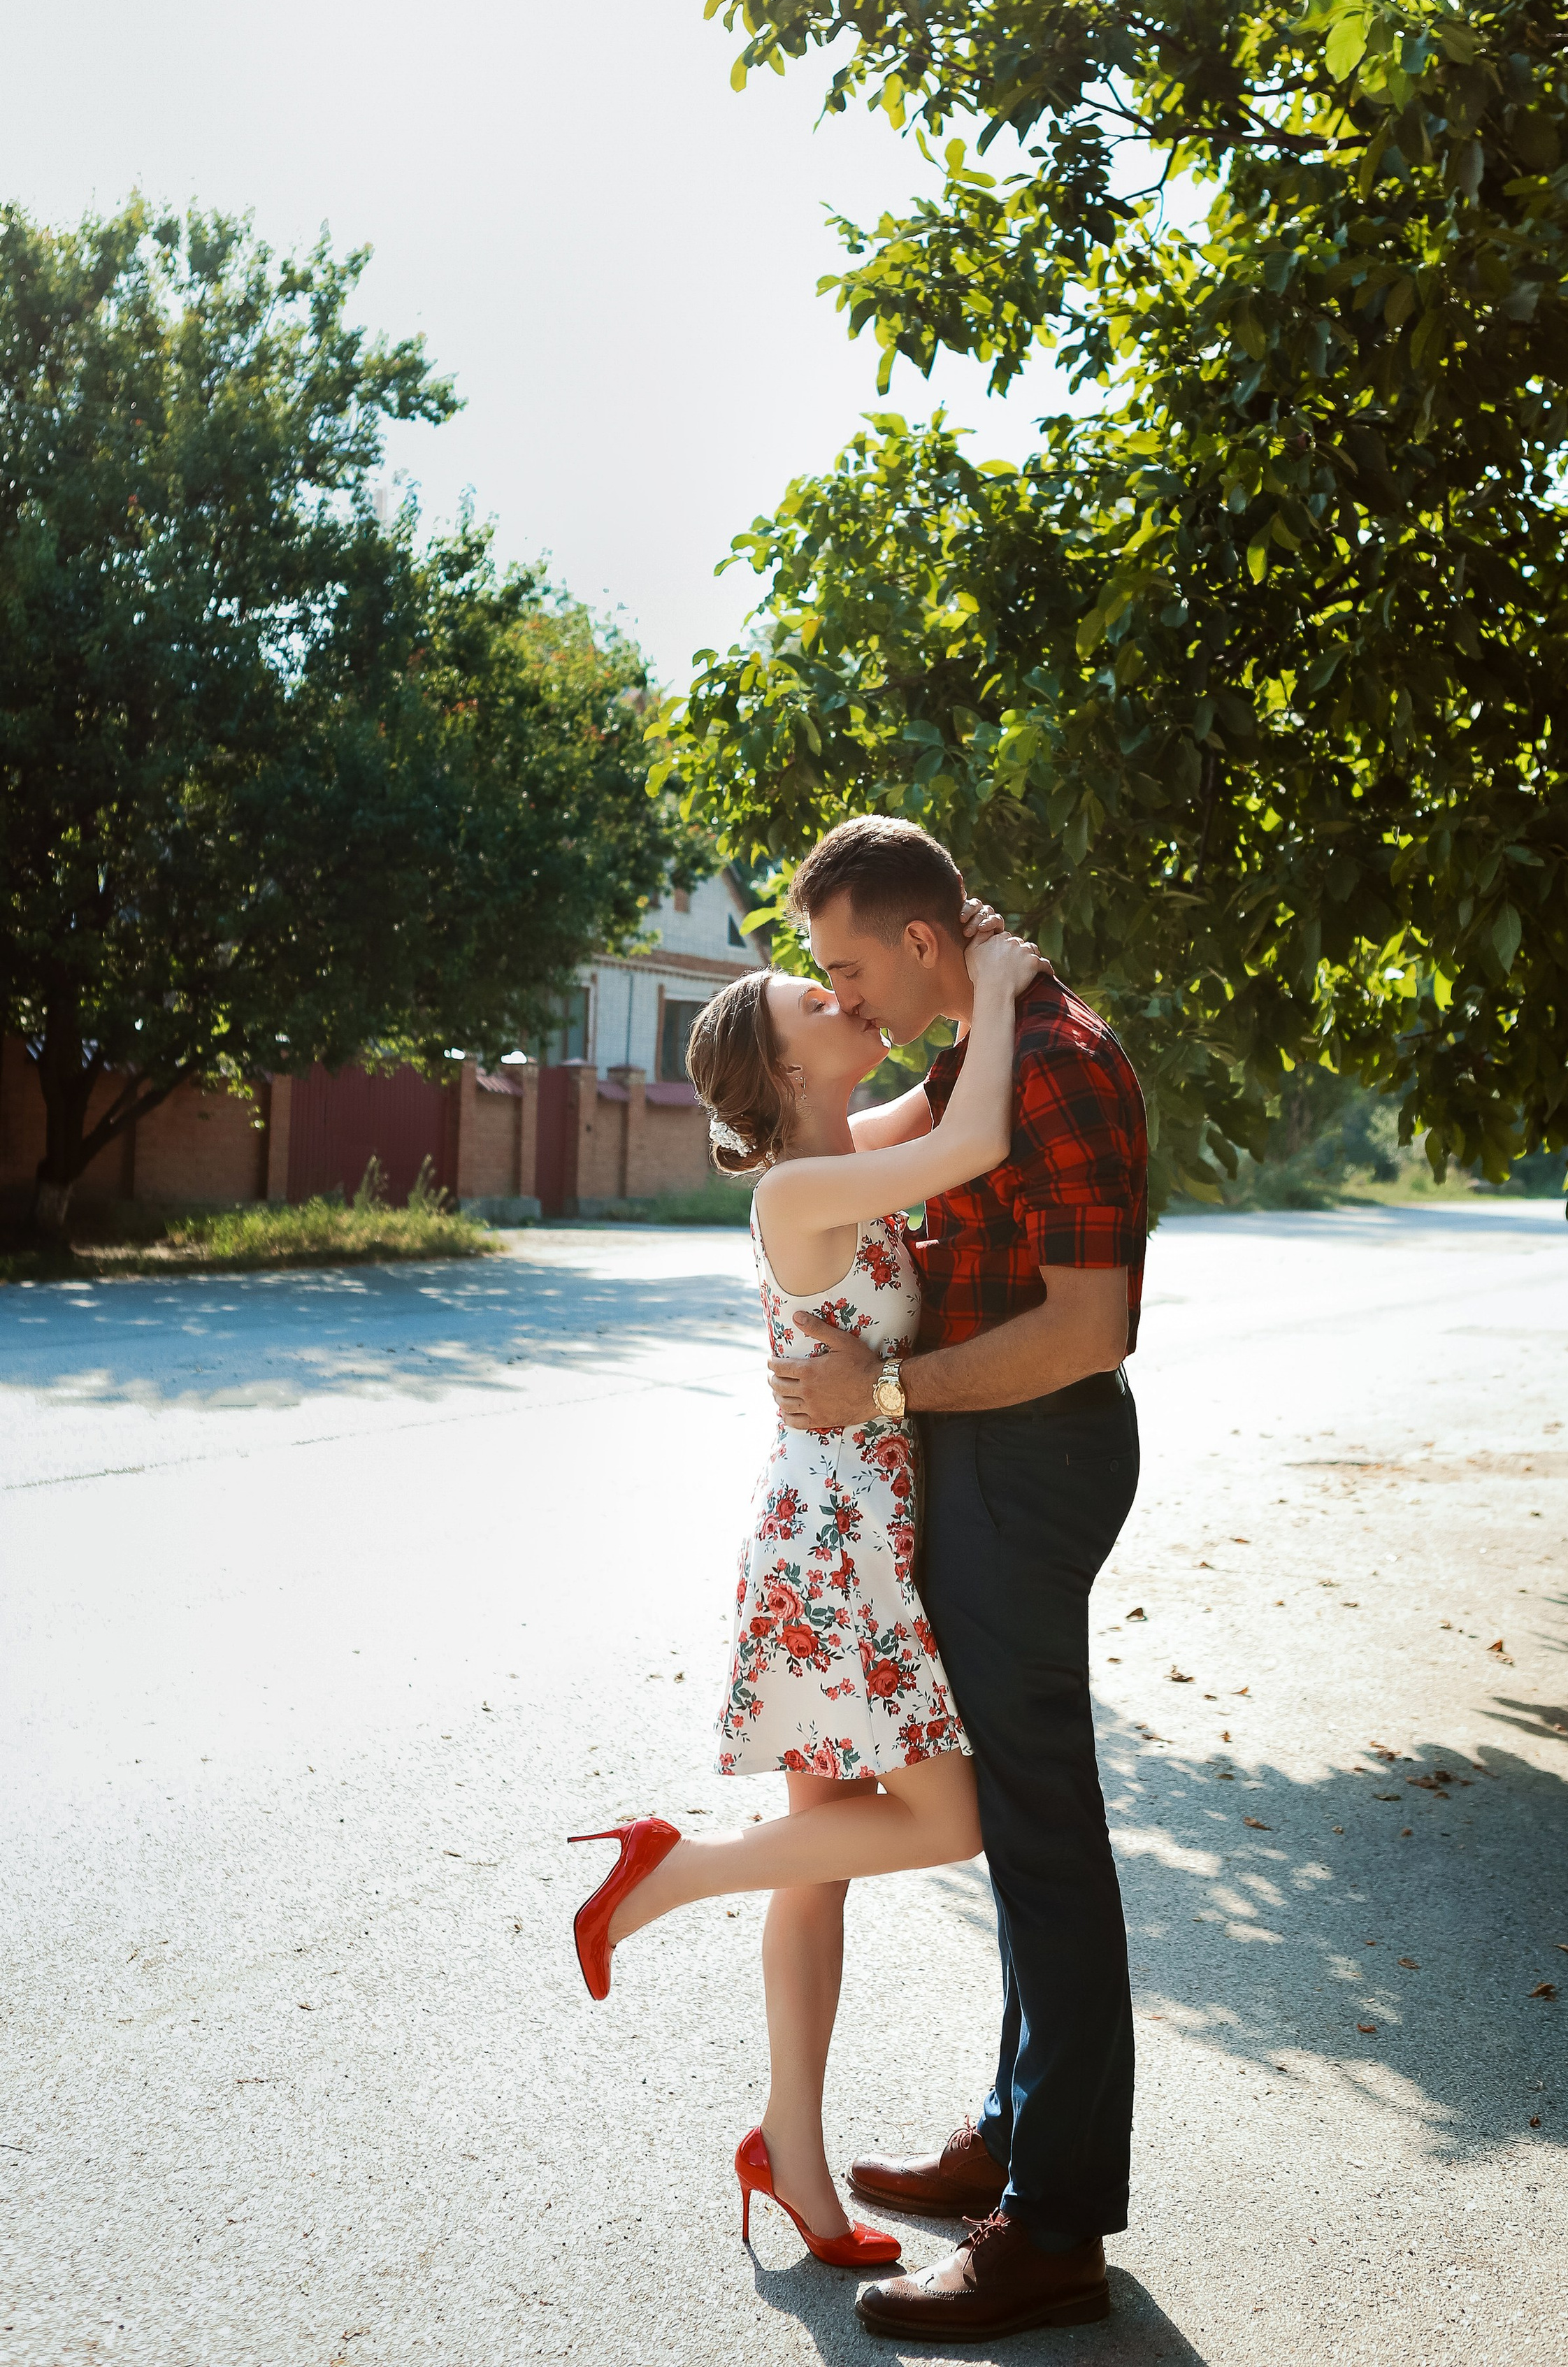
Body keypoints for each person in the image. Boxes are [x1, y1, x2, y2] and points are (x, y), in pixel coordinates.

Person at [565, 904, 1044, 2278]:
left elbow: (945, 1100)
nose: (845, 1002)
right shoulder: (797, 1190)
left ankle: (791, 2151)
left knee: (827, 1856)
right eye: (816, 1004)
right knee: (942, 1821)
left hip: (852, 1530)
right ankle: (670, 1874)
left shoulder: (842, 1149)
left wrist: (965, 969)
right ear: (785, 1073)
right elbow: (975, 1140)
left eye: (839, 987)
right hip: (836, 1548)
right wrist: (999, 987)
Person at [769, 816, 1148, 2345]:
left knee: (1041, 1833)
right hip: (986, 1454)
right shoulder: (992, 1039)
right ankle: (1013, 2135)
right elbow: (829, 1151)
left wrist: (883, 1393)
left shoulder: (1055, 1059)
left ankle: (1053, 2227)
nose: (845, 999)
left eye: (849, 968)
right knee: (1012, 1824)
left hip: (1028, 1452)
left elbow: (1086, 1329)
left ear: (923, 942)